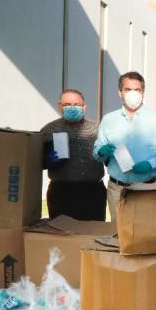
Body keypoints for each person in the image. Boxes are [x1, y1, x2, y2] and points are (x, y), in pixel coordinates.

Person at [92, 71, 156, 222]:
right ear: (120, 93)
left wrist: (150, 164)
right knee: (118, 234)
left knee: (145, 233)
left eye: (137, 90)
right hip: (117, 189)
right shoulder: (108, 120)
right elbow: (97, 152)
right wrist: (101, 151)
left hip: (146, 188)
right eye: (128, 89)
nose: (132, 93)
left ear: (143, 93)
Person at [40, 89, 106, 220]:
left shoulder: (97, 129)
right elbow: (36, 162)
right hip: (61, 193)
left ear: (84, 107)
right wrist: (47, 160)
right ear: (60, 107)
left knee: (93, 234)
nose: (72, 107)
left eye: (76, 104)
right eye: (67, 104)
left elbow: (109, 159)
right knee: (62, 234)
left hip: (93, 192)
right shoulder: (49, 130)